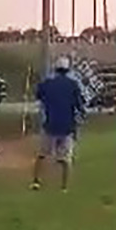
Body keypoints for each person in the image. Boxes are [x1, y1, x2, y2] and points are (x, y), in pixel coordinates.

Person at [32, 55, 84, 192]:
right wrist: (79, 123)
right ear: (67, 70)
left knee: (42, 155)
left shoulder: (47, 84)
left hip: (50, 124)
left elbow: (38, 95)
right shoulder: (73, 85)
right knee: (66, 159)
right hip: (67, 126)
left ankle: (36, 182)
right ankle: (64, 187)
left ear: (55, 69)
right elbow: (80, 106)